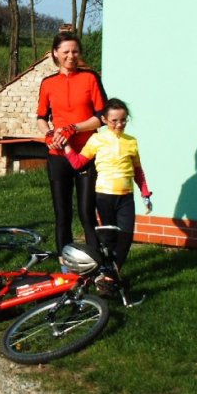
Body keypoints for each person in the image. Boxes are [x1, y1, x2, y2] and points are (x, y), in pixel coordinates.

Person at [36, 30, 107, 256]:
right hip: (59, 157)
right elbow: (41, 117)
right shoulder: (48, 83)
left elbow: (101, 116)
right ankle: (65, 265)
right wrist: (49, 135)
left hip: (86, 154)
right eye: (65, 51)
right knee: (62, 214)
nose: (71, 56)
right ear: (55, 53)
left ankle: (95, 264)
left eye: (75, 51)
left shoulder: (90, 78)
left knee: (87, 213)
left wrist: (74, 127)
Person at [63, 98, 152, 271]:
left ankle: (111, 273)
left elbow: (138, 171)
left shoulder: (131, 141)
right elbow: (78, 163)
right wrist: (65, 145)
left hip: (126, 197)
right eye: (114, 121)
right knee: (109, 240)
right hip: (104, 196)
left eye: (123, 120)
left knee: (125, 238)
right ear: (104, 120)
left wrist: (145, 193)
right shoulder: (97, 139)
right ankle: (106, 276)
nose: (119, 124)